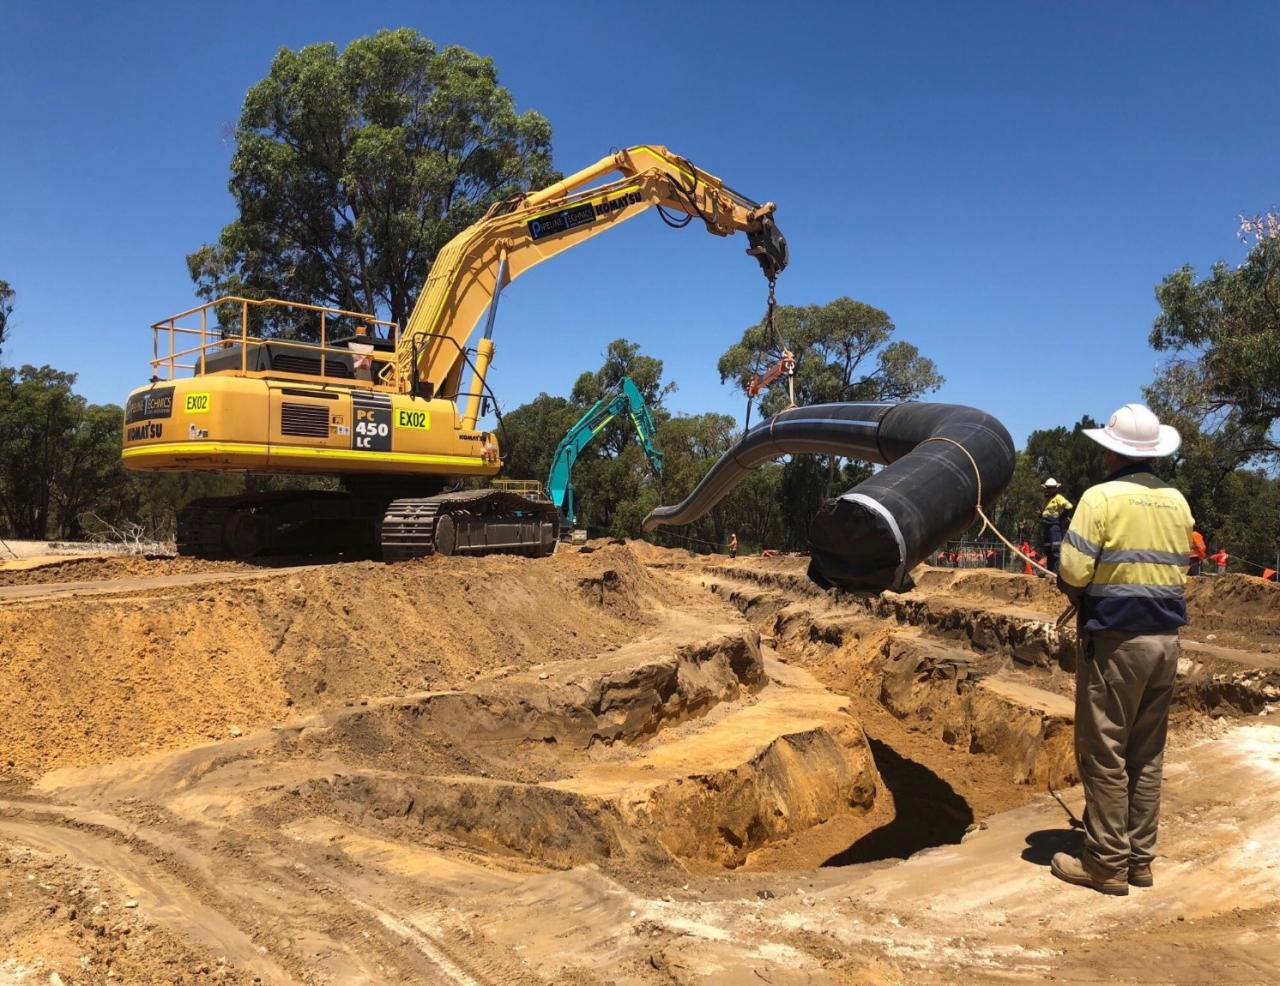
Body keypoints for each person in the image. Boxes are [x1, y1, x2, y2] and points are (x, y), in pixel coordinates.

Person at [1051, 403, 1194, 896]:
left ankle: (1106, 863)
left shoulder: (1100, 498)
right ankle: (1139, 860)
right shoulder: (1177, 502)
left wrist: (1073, 581)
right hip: (1165, 643)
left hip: (1116, 642)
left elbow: (1073, 572)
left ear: (1113, 451)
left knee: (1105, 750)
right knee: (1146, 754)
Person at [1040, 478, 1074, 574]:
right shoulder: (1048, 499)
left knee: (1055, 548)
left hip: (1054, 526)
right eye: (1048, 488)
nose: (1049, 490)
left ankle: (1056, 572)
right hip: (1047, 525)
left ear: (1055, 489)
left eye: (1051, 488)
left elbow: (1069, 506)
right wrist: (1041, 515)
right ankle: (1050, 570)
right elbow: (1048, 511)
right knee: (1048, 548)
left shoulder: (1058, 497)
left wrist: (1061, 518)